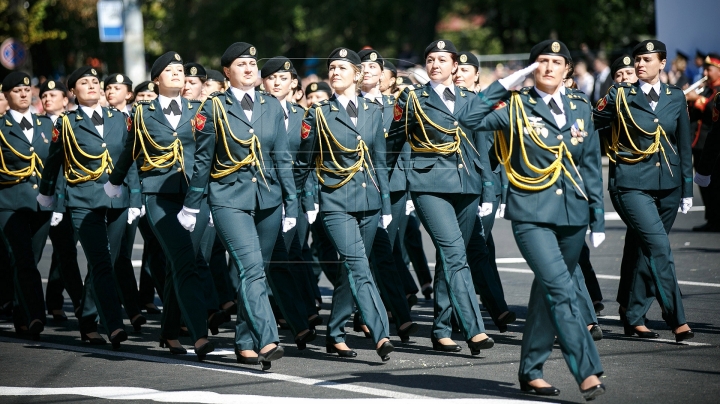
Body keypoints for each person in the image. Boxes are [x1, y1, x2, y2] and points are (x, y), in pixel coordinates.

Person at [467, 39, 606, 400]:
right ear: (530, 69)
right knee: (562, 288)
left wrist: (598, 218)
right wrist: (508, 82)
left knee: (547, 294)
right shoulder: (515, 106)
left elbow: (590, 162)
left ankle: (530, 371)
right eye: (539, 61)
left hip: (573, 214)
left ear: (567, 70)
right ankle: (588, 371)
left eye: (555, 61)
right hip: (531, 214)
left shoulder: (579, 106)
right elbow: (466, 116)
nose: (547, 67)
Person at [389, 39, 527, 355]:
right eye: (430, 59)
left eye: (442, 59)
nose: (436, 64)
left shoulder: (472, 99)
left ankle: (441, 329)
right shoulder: (412, 99)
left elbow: (484, 147)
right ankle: (474, 328)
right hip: (429, 186)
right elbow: (395, 143)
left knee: (451, 258)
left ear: (454, 66)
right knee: (454, 253)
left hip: (467, 187)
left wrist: (491, 190)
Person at [183, 42, 296, 369]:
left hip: (268, 199)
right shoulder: (212, 108)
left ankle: (245, 340)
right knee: (250, 268)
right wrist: (192, 205)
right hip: (229, 199)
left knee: (257, 271)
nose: (248, 69)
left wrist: (292, 201)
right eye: (240, 64)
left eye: (252, 63)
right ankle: (267, 338)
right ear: (228, 71)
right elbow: (203, 161)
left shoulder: (271, 105)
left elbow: (282, 157)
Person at [104, 51, 216, 359]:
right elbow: (130, 150)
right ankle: (199, 334)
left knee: (179, 266)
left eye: (181, 70)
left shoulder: (201, 109)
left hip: (195, 195)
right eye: (170, 70)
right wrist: (114, 182)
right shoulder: (143, 112)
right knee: (184, 262)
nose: (178, 74)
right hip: (158, 196)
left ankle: (168, 333)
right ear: (156, 79)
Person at [294, 47, 395, 361]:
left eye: (342, 67)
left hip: (368, 200)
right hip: (335, 199)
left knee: (349, 272)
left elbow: (380, 161)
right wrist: (296, 201)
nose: (335, 72)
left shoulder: (373, 111)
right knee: (359, 266)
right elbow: (304, 164)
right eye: (332, 67)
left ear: (357, 74)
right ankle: (381, 333)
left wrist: (387, 206)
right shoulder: (319, 113)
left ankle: (335, 333)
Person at [595, 40, 694, 343]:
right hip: (631, 184)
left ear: (662, 63)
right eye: (637, 59)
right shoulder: (620, 95)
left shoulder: (676, 98)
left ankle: (633, 314)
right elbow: (588, 121)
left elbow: (683, 145)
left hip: (669, 185)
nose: (640, 64)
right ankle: (677, 319)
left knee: (644, 249)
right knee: (659, 248)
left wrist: (687, 188)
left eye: (647, 59)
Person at [37, 66, 142, 350]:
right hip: (83, 199)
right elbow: (54, 162)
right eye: (85, 82)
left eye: (95, 81)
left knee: (108, 261)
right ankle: (114, 325)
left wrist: (135, 198)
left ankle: (86, 319)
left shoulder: (120, 118)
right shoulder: (66, 123)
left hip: (117, 198)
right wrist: (47, 194)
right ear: (73, 91)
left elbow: (128, 158)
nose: (93, 85)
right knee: (101, 262)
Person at [357, 48, 418, 342]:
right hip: (358, 188)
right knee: (371, 253)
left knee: (387, 252)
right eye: (362, 67)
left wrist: (406, 190)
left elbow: (405, 146)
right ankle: (391, 315)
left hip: (393, 188)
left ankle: (379, 314)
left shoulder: (395, 106)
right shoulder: (346, 106)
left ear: (384, 75)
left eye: (373, 67)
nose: (368, 70)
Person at [260, 55, 318, 349]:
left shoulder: (301, 116)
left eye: (283, 78)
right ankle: (298, 322)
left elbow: (307, 162)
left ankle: (303, 315)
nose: (277, 82)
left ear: (294, 83)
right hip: (262, 194)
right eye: (270, 77)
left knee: (291, 257)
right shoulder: (253, 113)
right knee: (274, 261)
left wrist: (306, 199)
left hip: (292, 198)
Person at [0, 72, 55, 338]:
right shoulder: (1, 126)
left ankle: (22, 315)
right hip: (9, 202)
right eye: (16, 91)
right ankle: (36, 315)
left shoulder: (46, 125)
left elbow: (57, 164)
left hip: (42, 202)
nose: (23, 94)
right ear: (7, 96)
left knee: (32, 258)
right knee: (23, 259)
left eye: (26, 89)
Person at [103, 73, 147, 333]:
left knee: (122, 256)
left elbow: (132, 159)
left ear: (129, 94)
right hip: (108, 192)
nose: (110, 92)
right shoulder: (105, 119)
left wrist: (136, 197)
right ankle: (128, 310)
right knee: (109, 256)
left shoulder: (135, 118)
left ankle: (131, 308)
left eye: (116, 88)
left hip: (132, 194)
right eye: (107, 88)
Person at [39, 79, 84, 322]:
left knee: (64, 253)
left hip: (67, 196)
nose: (47, 99)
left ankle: (61, 300)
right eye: (43, 95)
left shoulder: (72, 123)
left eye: (53, 95)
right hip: (42, 197)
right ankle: (76, 301)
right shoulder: (38, 125)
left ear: (65, 99)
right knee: (58, 253)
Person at [687, 53, 720, 232]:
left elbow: (710, 107)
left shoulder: (717, 90)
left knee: (716, 183)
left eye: (709, 69)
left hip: (714, 144)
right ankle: (712, 218)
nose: (705, 72)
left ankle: (717, 218)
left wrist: (696, 99)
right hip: (699, 143)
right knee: (705, 185)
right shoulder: (706, 88)